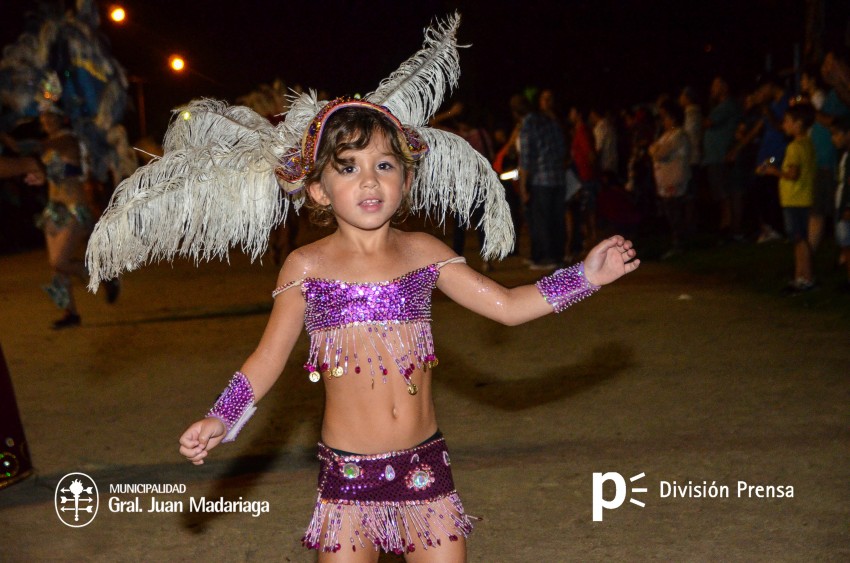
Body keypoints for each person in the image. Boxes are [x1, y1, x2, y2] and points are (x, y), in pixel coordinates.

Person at [87, 16, 640, 561]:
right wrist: (221, 418)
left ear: (406, 178)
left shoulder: (425, 251)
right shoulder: (305, 267)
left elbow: (511, 307)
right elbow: (267, 358)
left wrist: (586, 276)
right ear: (320, 191)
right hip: (347, 478)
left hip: (427, 470)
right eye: (348, 168)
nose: (369, 180)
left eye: (383, 164)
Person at [1, 108, 119, 328]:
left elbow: (24, 150)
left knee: (60, 261)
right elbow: (39, 164)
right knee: (56, 268)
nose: (46, 119)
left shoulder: (67, 140)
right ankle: (70, 314)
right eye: (43, 115)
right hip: (54, 208)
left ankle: (100, 274)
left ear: (61, 117)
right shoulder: (48, 144)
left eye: (51, 115)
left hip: (75, 207)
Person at [759, 102, 817, 292]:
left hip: (795, 199)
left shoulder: (794, 147)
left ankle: (805, 278)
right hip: (804, 197)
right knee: (799, 239)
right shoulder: (807, 143)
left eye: (787, 121)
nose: (783, 124)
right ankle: (800, 276)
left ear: (798, 124)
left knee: (799, 239)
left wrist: (773, 172)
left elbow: (793, 174)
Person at [519, 89, 569, 270]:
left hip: (545, 179)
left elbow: (526, 155)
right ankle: (550, 256)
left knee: (544, 219)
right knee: (551, 218)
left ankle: (547, 257)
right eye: (545, 98)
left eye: (550, 98)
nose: (549, 102)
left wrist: (524, 185)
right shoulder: (551, 121)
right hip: (551, 178)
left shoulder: (539, 121)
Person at [701, 77, 743, 239]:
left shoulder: (727, 106)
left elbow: (707, 123)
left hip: (720, 156)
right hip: (716, 156)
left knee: (724, 194)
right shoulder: (721, 107)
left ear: (725, 87)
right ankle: (727, 227)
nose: (712, 88)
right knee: (722, 194)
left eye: (715, 84)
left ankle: (728, 227)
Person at [649, 99, 691, 258]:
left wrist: (655, 150)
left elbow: (659, 153)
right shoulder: (668, 135)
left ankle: (679, 244)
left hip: (674, 179)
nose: (663, 121)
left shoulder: (678, 135)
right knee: (671, 212)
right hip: (666, 180)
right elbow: (654, 149)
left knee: (675, 212)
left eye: (665, 117)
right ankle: (677, 243)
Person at [829, 116, 850, 291]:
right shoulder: (843, 155)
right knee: (845, 245)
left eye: (836, 134)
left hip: (846, 209)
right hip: (841, 206)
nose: (833, 138)